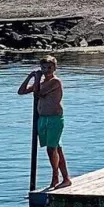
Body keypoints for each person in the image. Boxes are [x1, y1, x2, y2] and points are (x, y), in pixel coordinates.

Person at [18, 55, 70, 189]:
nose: (46, 70)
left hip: (54, 119)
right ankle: (65, 178)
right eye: (43, 67)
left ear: (54, 68)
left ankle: (55, 177)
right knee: (56, 149)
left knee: (51, 149)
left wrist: (36, 79)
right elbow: (21, 91)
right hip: (43, 119)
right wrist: (30, 77)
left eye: (49, 67)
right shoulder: (40, 83)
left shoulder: (55, 81)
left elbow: (37, 94)